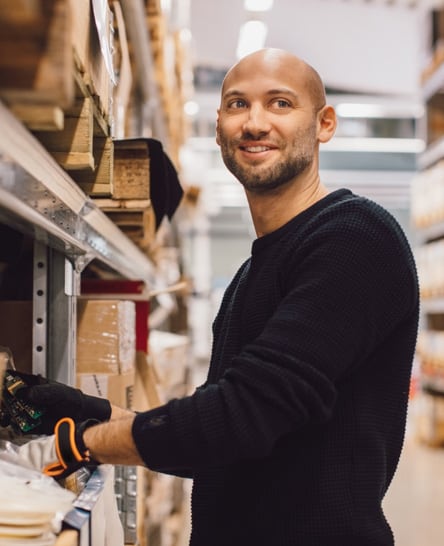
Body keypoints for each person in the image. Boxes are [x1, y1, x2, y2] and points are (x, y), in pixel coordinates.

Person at [2, 48, 419, 546]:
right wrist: (90, 411)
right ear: (218, 125)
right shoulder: (252, 273)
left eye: (281, 103)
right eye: (238, 105)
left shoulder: (355, 237)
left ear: (324, 123)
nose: (255, 122)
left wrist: (83, 442)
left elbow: (242, 419)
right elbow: (227, 443)